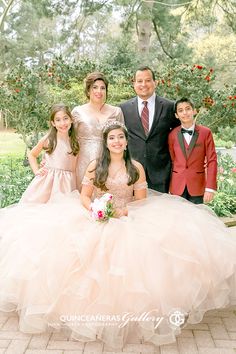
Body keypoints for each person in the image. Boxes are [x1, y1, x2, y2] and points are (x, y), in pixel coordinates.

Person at [0, 121, 235, 349]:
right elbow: (84, 196)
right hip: (97, 215)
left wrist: (123, 211)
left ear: (126, 142)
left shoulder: (136, 167)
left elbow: (141, 202)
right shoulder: (95, 166)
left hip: (128, 216)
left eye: (120, 137)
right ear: (106, 142)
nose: (116, 141)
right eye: (112, 138)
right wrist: (95, 208)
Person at [120, 66, 180, 193]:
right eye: (139, 81)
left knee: (159, 212)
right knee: (134, 211)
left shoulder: (170, 107)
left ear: (155, 83)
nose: (143, 84)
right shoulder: (123, 109)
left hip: (161, 173)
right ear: (134, 84)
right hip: (131, 173)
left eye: (147, 80)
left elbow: (178, 137)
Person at [72, 71, 124, 190]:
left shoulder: (116, 111)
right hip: (83, 162)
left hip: (109, 162)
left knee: (107, 200)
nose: (99, 91)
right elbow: (68, 140)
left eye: (102, 88)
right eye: (95, 87)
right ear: (88, 90)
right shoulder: (77, 112)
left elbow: (122, 139)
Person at [20, 103, 79, 203]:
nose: (63, 123)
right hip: (48, 184)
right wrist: (36, 170)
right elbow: (32, 154)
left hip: (68, 184)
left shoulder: (75, 141)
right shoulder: (49, 139)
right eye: (58, 120)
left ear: (71, 120)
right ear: (53, 123)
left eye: (65, 118)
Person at [168, 97, 217, 204]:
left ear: (194, 110)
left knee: (197, 219)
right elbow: (173, 159)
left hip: (197, 186)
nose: (185, 113)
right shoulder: (172, 135)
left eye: (188, 109)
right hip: (177, 186)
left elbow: (212, 161)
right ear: (176, 115)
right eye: (180, 110)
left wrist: (210, 187)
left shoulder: (206, 133)